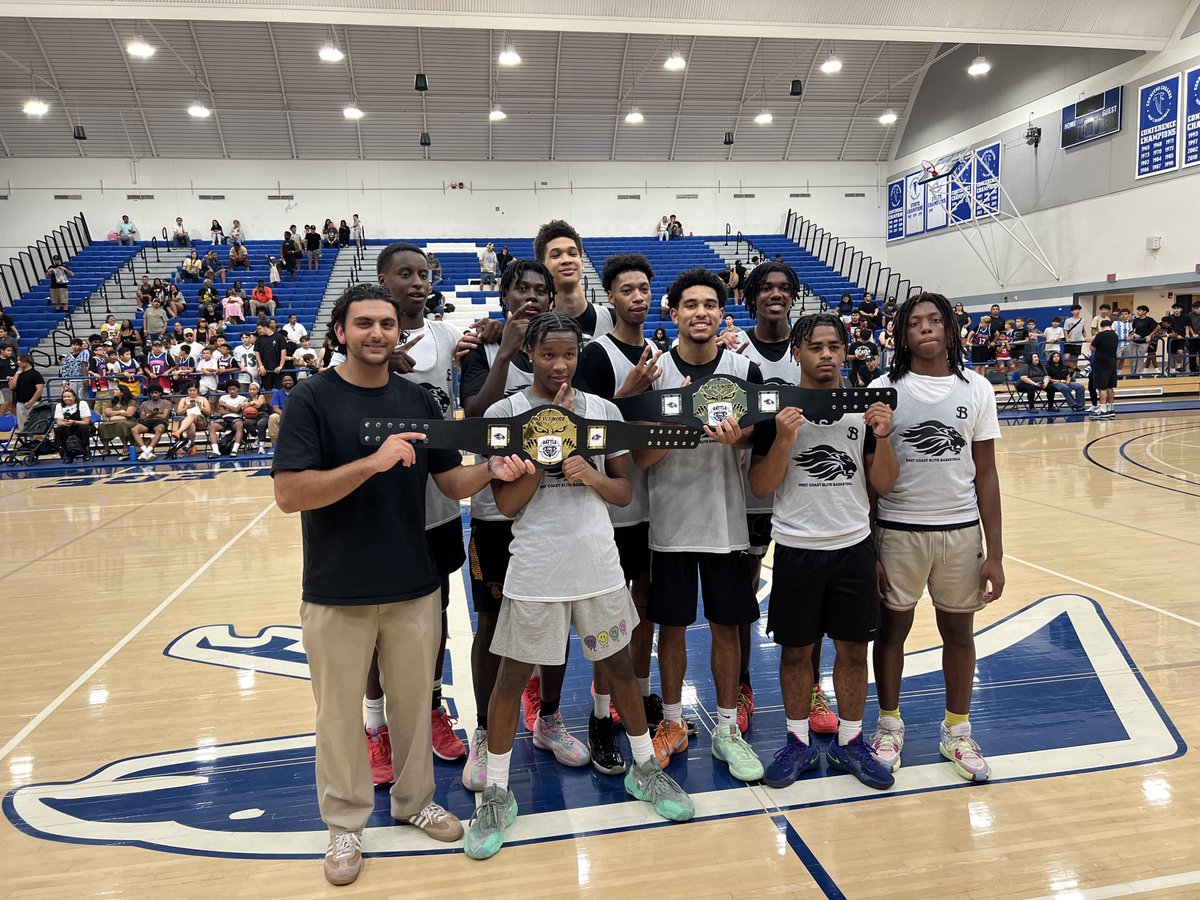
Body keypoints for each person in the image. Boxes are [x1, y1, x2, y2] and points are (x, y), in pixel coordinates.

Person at [270, 282, 531, 886]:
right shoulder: (311, 398)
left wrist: (491, 470)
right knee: (339, 715)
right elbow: (289, 495)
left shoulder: (417, 398)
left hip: (414, 582)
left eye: (386, 325)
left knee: (416, 704)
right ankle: (344, 828)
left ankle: (416, 802)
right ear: (340, 332)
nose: (377, 334)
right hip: (337, 588)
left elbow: (450, 485)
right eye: (363, 324)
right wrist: (372, 462)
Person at [464, 311, 695, 861]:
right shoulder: (507, 412)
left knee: (618, 669)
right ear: (531, 356)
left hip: (597, 562)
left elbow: (621, 492)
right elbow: (505, 505)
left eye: (569, 354)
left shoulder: (603, 410)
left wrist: (587, 472)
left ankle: (644, 770)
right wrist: (545, 455)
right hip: (536, 565)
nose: (560, 365)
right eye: (548, 355)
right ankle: (496, 792)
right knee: (510, 678)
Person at [749, 312, 897, 791]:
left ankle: (853, 740)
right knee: (796, 653)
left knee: (854, 650)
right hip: (795, 546)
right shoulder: (778, 409)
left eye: (835, 346)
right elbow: (760, 487)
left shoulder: (865, 409)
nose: (827, 354)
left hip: (853, 544)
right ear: (797, 352)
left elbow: (885, 484)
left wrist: (885, 437)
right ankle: (796, 740)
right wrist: (785, 441)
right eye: (816, 346)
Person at [870, 292, 1004, 784]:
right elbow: (870, 476)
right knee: (890, 633)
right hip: (898, 530)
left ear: (950, 328)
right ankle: (888, 725)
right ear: (902, 334)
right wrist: (870, 549)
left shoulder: (978, 389)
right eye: (914, 323)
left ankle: (957, 729)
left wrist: (996, 553)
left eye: (934, 320)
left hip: (960, 531)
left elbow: (986, 474)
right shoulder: (883, 387)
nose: (925, 328)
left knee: (959, 634)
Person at [638, 268, 764, 782]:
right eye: (690, 305)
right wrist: (680, 427)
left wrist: (739, 439)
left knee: (726, 627)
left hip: (726, 521)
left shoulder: (743, 368)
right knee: (671, 628)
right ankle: (671, 721)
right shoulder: (655, 373)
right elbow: (640, 457)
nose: (701, 313)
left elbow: (762, 439)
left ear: (722, 313)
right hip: (669, 523)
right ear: (674, 314)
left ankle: (728, 729)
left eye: (710, 304)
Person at [457, 260, 556, 789]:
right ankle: (481, 729)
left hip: (551, 508)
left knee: (553, 622)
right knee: (493, 623)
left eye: (542, 290)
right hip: (496, 514)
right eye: (524, 288)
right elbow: (475, 416)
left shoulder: (563, 350)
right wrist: (507, 351)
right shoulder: (481, 348)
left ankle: (549, 716)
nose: (534, 296)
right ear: (504, 293)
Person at [375, 242, 469, 769]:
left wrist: (501, 335)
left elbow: (490, 344)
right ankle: (375, 724)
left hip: (436, 499)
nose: (417, 282)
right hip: (378, 501)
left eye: (424, 274)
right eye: (404, 274)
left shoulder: (447, 335)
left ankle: (432, 708)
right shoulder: (361, 340)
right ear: (383, 281)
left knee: (436, 611)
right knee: (372, 617)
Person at [734, 262, 838, 736]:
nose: (775, 294)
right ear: (751, 295)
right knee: (742, 596)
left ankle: (813, 689)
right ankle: (740, 686)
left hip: (811, 497)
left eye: (784, 288)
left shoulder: (814, 350)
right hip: (753, 494)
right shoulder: (735, 351)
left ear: (794, 297)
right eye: (766, 288)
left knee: (813, 604)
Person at [573, 253, 666, 768]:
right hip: (607, 507)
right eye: (627, 289)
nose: (637, 296)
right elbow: (583, 429)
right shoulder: (595, 354)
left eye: (644, 288)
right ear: (609, 297)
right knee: (607, 618)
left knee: (645, 606)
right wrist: (624, 394)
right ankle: (601, 711)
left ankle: (642, 692)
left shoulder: (657, 351)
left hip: (650, 500)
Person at [535, 219, 614, 343]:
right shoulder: (534, 328)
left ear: (582, 263)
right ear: (542, 267)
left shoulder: (613, 320)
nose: (566, 260)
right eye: (555, 255)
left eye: (572, 254)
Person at [1088, 319, 1118, 419]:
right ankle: (1111, 409)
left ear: (1101, 326)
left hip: (1102, 363)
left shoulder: (1100, 335)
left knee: (1102, 387)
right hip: (1112, 362)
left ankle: (1103, 410)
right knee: (1110, 386)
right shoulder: (1115, 335)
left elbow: (1092, 348)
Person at [207, 381, 247, 457]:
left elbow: (237, 411)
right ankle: (215, 451)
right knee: (212, 426)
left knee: (240, 425)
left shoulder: (244, 399)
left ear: (237, 389)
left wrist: (225, 405)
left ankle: (234, 450)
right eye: (230, 390)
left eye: (233, 389)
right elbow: (222, 412)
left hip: (236, 418)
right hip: (224, 419)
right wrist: (235, 409)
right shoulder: (223, 397)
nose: (232, 391)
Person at [132, 384, 173, 460]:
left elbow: (164, 417)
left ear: (160, 393)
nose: (154, 395)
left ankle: (147, 451)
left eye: (156, 392)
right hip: (147, 422)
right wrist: (153, 414)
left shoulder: (166, 403)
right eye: (152, 393)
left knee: (159, 429)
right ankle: (146, 451)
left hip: (160, 422)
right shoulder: (144, 404)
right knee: (134, 429)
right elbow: (142, 418)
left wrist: (150, 415)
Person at [53, 387, 92, 461]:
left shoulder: (82, 404)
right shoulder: (59, 406)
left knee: (84, 428)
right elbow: (59, 422)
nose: (66, 398)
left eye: (68, 396)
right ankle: (68, 453)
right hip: (68, 427)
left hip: (80, 425)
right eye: (64, 397)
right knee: (59, 429)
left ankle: (86, 451)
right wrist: (66, 423)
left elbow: (86, 422)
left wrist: (74, 422)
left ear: (74, 397)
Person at [97, 385, 138, 455]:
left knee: (121, 425)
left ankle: (125, 447)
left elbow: (129, 414)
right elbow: (106, 413)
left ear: (122, 393)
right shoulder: (113, 402)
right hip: (113, 421)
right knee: (102, 426)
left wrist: (113, 414)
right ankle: (106, 448)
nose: (114, 391)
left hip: (129, 421)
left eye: (116, 390)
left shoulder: (131, 401)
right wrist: (121, 412)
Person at [11, 355, 45, 429]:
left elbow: (39, 389)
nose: (18, 362)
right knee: (22, 427)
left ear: (27, 361)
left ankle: (33, 440)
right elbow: (12, 386)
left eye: (20, 360)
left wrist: (31, 402)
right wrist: (17, 373)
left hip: (33, 403)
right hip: (20, 402)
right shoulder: (19, 374)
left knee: (33, 425)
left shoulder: (35, 374)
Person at [255, 319, 288, 390]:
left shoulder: (279, 337)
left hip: (278, 369)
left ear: (265, 327)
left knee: (281, 389)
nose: (259, 331)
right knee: (267, 390)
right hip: (265, 370)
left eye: (260, 329)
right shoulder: (259, 339)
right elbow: (257, 352)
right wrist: (261, 366)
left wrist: (280, 366)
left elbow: (283, 351)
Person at [267, 373, 295, 445]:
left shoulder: (298, 391)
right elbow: (275, 408)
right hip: (282, 413)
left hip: (296, 414)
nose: (288, 382)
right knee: (273, 417)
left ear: (293, 381)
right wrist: (285, 414)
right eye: (285, 380)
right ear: (282, 382)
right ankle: (275, 446)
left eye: (289, 380)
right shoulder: (277, 393)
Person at [0, 344, 17, 416]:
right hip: (3, 384)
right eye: (8, 350)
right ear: (1, 350)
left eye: (11, 351)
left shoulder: (13, 359)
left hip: (15, 383)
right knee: (8, 400)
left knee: (14, 402)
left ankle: (15, 421)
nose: (10, 352)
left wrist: (14, 377)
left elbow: (19, 369)